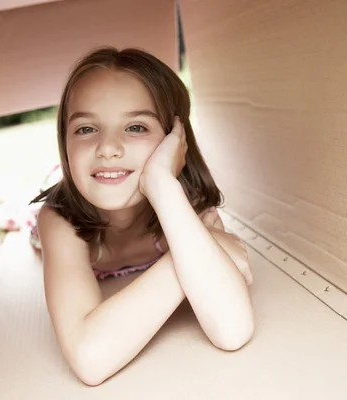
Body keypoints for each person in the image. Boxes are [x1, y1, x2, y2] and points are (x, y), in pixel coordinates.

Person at [29, 47, 254, 386]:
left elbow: (232, 329)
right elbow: (90, 358)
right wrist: (194, 253)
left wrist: (162, 184)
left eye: (135, 127)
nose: (108, 147)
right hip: (74, 204)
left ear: (175, 142)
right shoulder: (60, 221)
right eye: (86, 129)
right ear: (64, 141)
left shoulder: (184, 202)